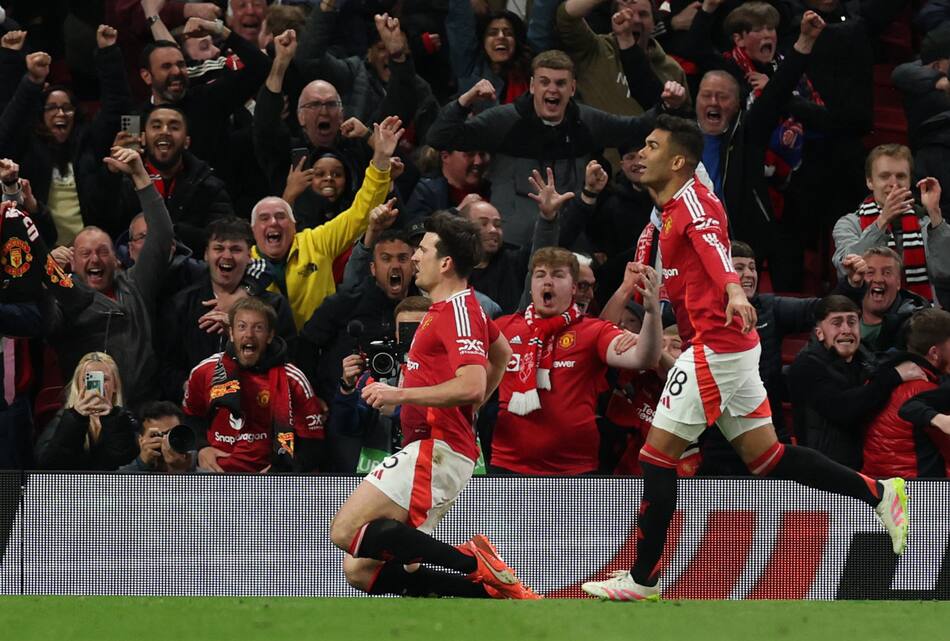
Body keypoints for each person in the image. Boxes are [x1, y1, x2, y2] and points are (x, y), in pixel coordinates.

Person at [580, 114, 909, 603]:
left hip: (716, 346)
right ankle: (880, 494)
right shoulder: (669, 208)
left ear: (676, 160)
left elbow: (716, 249)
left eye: (651, 146)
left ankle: (642, 579)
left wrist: (735, 290)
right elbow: (664, 239)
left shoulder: (694, 201)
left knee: (656, 456)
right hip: (726, 348)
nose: (640, 154)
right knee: (768, 457)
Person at [328, 211, 537, 599]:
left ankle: (474, 563)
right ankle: (488, 593)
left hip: (436, 448)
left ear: (445, 263)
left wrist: (399, 394)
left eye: (422, 250)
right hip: (437, 447)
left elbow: (472, 384)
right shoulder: (455, 308)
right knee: (360, 569)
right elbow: (503, 354)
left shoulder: (457, 310)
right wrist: (468, 415)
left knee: (344, 531)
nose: (414, 258)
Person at [426, 49, 687, 249]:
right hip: (511, 247)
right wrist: (465, 100)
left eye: (561, 83)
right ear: (531, 86)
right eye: (545, 82)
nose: (552, 89)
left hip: (567, 246)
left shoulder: (585, 121)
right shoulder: (504, 120)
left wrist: (666, 105)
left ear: (572, 88)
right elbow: (439, 136)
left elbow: (636, 128)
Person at [490, 247, 662, 476]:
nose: (548, 282)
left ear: (573, 288)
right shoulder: (503, 328)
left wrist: (652, 313)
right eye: (540, 275)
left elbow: (645, 357)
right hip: (507, 465)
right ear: (531, 286)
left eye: (558, 275)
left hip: (575, 470)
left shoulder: (593, 331)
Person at [46, 146, 174, 408]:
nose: (95, 260)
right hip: (88, 412)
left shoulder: (135, 283)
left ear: (117, 259)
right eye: (85, 253)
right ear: (72, 262)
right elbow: (44, 323)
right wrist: (48, 275)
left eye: (103, 252)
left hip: (144, 408)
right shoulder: (64, 296)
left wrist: (140, 176)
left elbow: (161, 235)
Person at [250, 116, 400, 330]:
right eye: (264, 218)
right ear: (253, 230)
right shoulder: (244, 262)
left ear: (294, 225)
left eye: (281, 217)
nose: (273, 222)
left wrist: (381, 158)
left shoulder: (316, 242)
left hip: (319, 347)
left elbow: (360, 213)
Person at [0, 27, 130, 246]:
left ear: (75, 114)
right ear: (41, 115)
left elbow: (116, 107)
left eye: (66, 108)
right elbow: (10, 119)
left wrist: (108, 54)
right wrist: (29, 78)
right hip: (40, 251)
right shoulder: (27, 146)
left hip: (90, 251)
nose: (60, 113)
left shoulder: (90, 143)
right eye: (51, 108)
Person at [182, 297, 326, 474]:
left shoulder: (293, 379)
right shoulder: (204, 371)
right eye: (242, 326)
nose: (249, 334)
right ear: (232, 333)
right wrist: (201, 448)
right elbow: (191, 418)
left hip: (274, 481)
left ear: (270, 335)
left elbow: (313, 443)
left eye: (258, 328)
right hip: (215, 475)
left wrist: (281, 471)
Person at [161, 216, 296, 402]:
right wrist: (185, 386)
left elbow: (288, 362)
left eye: (236, 249)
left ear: (250, 256)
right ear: (206, 254)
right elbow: (167, 365)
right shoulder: (181, 304)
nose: (227, 256)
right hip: (198, 412)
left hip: (259, 408)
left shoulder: (274, 305)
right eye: (218, 248)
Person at [787, 295, 922, 470]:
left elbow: (886, 364)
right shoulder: (806, 365)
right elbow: (843, 408)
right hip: (822, 473)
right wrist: (894, 376)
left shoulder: (865, 358)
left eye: (852, 322)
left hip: (865, 469)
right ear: (819, 333)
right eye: (837, 323)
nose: (846, 330)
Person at [832, 144, 950, 306]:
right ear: (870, 181)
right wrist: (882, 221)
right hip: (867, 314)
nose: (894, 184)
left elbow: (946, 272)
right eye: (884, 176)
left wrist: (935, 214)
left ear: (910, 182)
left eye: (901, 176)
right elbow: (846, 269)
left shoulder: (926, 223)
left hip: (922, 319)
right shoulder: (849, 224)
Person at [328, 296, 431, 474]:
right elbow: (346, 427)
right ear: (396, 335)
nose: (413, 337)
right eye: (406, 330)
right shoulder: (378, 375)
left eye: (419, 329)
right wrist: (347, 388)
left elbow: (451, 420)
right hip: (385, 478)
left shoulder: (452, 375)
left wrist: (398, 409)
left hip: (435, 472)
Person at [109, 104, 233, 250]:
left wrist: (170, 231)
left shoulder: (210, 187)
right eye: (156, 126)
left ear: (187, 142)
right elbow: (103, 224)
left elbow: (223, 239)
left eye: (174, 127)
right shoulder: (124, 182)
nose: (165, 132)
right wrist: (112, 177)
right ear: (142, 138)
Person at [558, 0, 689, 115]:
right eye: (629, 13)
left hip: (653, 142)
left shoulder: (671, 68)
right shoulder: (595, 50)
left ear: (654, 23)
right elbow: (566, 16)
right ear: (615, 19)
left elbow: (686, 121)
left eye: (643, 14)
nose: (636, 20)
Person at [862, 308, 950, 479]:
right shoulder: (925, 391)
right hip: (916, 491)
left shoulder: (878, 380)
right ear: (934, 354)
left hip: (877, 484)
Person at [35, 352, 138, 470]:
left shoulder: (124, 419)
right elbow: (48, 463)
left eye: (104, 379)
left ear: (115, 385)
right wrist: (76, 419)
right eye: (87, 379)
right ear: (79, 386)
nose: (96, 385)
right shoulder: (64, 418)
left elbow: (126, 462)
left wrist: (112, 418)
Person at [855, 247, 931, 353]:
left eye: (887, 273)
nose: (878, 279)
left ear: (898, 283)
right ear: (859, 280)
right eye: (870, 272)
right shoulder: (843, 319)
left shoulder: (915, 326)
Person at [118, 401, 197, 473]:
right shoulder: (124, 475)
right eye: (157, 435)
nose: (165, 442)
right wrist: (142, 464)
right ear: (140, 440)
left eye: (172, 434)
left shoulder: (203, 477)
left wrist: (180, 470)